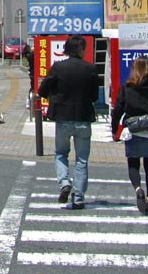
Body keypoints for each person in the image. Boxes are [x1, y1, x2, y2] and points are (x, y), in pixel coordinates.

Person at [37, 35, 99, 210]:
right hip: (83, 117)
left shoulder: (58, 67)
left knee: (60, 154)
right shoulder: (91, 69)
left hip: (62, 118)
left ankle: (64, 182)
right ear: (80, 50)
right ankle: (78, 197)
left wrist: (54, 95)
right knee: (81, 160)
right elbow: (94, 96)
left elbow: (42, 90)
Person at [111, 56, 148, 214]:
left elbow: (117, 110)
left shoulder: (127, 87)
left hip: (133, 131)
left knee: (133, 164)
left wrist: (115, 129)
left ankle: (137, 190)